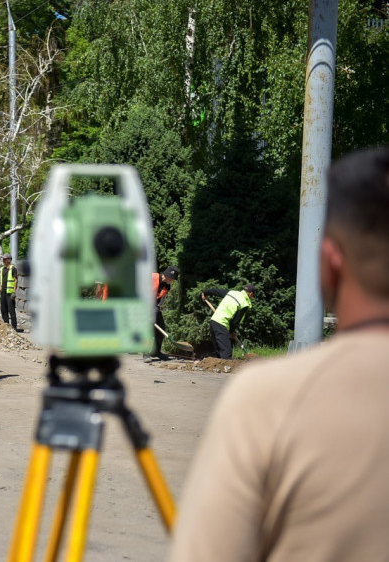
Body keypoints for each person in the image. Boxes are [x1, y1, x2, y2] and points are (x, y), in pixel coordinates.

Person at [168, 146, 389, 562]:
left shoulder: (266, 399)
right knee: (227, 347)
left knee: (227, 347)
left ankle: (224, 357)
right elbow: (234, 317)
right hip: (221, 322)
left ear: (326, 264)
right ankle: (223, 359)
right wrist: (229, 325)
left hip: (220, 321)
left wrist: (214, 303)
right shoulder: (243, 299)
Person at [201, 283, 255, 359]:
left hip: (213, 322)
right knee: (226, 352)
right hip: (222, 324)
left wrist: (205, 293)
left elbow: (216, 291)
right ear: (250, 294)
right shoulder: (244, 304)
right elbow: (236, 321)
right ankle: (226, 369)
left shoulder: (231, 293)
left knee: (219, 350)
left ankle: (218, 368)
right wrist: (232, 331)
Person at [144, 265, 180, 362]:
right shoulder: (151, 278)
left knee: (161, 329)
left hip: (155, 307)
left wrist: (158, 308)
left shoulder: (167, 286)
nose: (173, 281)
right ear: (167, 276)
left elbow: (161, 299)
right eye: (172, 279)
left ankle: (156, 351)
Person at [0, 252, 19, 331]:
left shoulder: (13, 268)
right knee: (3, 310)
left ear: (9, 260)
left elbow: (16, 280)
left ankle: (14, 327)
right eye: (3, 259)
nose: (3, 260)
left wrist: (14, 291)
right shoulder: (2, 269)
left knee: (11, 310)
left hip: (10, 293)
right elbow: (1, 280)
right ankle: (6, 325)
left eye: (5, 259)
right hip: (3, 292)